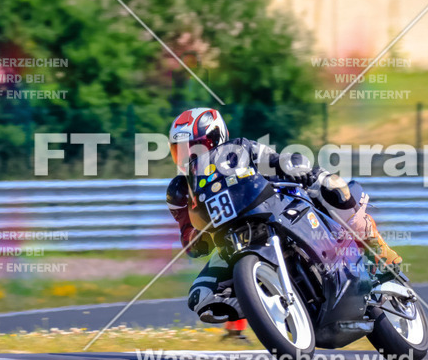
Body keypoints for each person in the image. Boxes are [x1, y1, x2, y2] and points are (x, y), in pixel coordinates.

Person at [165, 107, 402, 324]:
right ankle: (261, 304)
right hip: (231, 241)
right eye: (181, 150)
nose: (189, 156)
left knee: (334, 186)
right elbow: (188, 234)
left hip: (274, 204)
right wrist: (195, 238)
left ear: (216, 137)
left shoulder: (238, 149)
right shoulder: (179, 191)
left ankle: (376, 249)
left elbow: (275, 160)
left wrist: (296, 167)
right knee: (201, 296)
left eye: (195, 147)